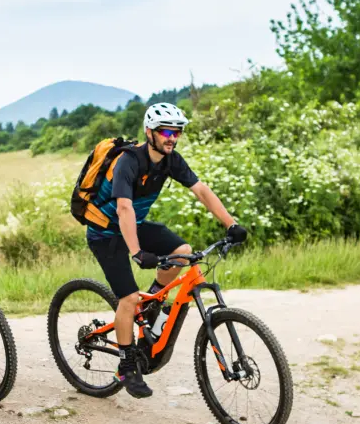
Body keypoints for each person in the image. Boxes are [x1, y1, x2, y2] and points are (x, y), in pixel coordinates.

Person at [86, 102, 247, 399]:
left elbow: (201, 190)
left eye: (177, 132)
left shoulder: (171, 160)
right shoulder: (129, 161)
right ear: (150, 132)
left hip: (135, 224)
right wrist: (136, 251)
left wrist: (231, 224)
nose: (172, 137)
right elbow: (123, 208)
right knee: (128, 297)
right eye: (165, 131)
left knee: (183, 251)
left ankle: (151, 304)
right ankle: (127, 364)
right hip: (106, 233)